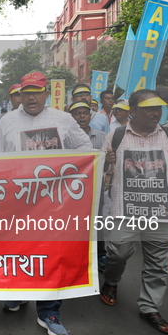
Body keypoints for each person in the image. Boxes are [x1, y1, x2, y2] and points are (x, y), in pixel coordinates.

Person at [0, 71, 92, 335]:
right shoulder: (6, 121)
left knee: (51, 256)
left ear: (46, 93)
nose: (31, 97)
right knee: (19, 251)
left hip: (56, 204)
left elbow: (86, 150)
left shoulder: (63, 119)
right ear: (20, 95)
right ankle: (20, 293)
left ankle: (49, 311)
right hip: (18, 203)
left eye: (36, 92)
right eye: (26, 92)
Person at [100, 89, 168, 335]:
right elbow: (102, 176)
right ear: (132, 111)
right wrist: (107, 161)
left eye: (158, 108)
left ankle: (149, 307)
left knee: (157, 263)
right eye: (148, 108)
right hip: (124, 211)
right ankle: (111, 282)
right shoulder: (117, 136)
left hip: (161, 214)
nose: (155, 112)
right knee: (118, 253)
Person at [68, 100, 108, 270]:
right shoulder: (65, 137)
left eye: (85, 113)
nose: (81, 116)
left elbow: (108, 161)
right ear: (72, 117)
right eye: (77, 114)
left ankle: (100, 255)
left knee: (96, 223)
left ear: (90, 116)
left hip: (96, 188)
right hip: (72, 190)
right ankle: (76, 256)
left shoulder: (102, 137)